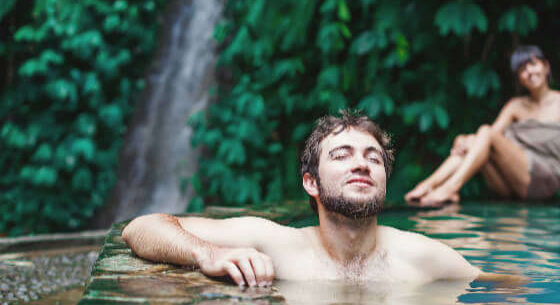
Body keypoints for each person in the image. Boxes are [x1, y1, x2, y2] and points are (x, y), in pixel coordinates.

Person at [123, 111, 522, 287]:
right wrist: (206, 253)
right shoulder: (274, 244)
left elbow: (507, 288)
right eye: (342, 155)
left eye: (373, 158)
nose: (362, 165)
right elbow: (141, 227)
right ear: (311, 183)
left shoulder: (424, 257)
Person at [405, 45, 560, 210]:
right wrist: (465, 139)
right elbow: (487, 139)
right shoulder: (516, 106)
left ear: (545, 66)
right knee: (476, 140)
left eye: (533, 64)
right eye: (523, 69)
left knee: (484, 133)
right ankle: (429, 185)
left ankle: (449, 187)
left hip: (545, 179)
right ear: (519, 78)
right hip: (512, 185)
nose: (530, 72)